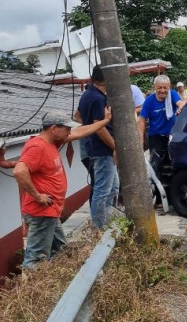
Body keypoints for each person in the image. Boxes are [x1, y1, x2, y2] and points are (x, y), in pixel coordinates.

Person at [14, 109, 112, 267]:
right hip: (41, 212)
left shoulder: (53, 142)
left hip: (50, 210)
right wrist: (38, 196)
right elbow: (19, 171)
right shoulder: (38, 147)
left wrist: (104, 121)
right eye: (66, 128)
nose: (69, 131)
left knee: (60, 250)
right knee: (36, 257)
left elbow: (80, 132)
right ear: (53, 128)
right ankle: (33, 289)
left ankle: (58, 284)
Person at [77, 65, 118, 229]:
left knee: (113, 187)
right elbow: (99, 127)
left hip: (94, 148)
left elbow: (77, 115)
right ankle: (99, 228)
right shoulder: (97, 98)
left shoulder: (88, 93)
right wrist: (114, 146)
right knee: (102, 190)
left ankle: (106, 220)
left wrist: (88, 129)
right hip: (101, 150)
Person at [138, 74, 186, 172]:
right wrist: (140, 139)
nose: (162, 91)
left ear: (169, 87)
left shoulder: (172, 94)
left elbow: (180, 103)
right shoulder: (149, 101)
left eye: (165, 88)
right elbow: (142, 120)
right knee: (156, 165)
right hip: (155, 137)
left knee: (173, 164)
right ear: (154, 87)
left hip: (172, 136)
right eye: (159, 88)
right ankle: (156, 185)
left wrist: (181, 107)